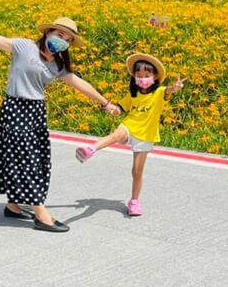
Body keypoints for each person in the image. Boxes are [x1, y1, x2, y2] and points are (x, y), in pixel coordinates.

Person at [0, 15, 119, 233]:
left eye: (68, 39)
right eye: (60, 34)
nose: (63, 41)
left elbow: (79, 83)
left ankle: (13, 206)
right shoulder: (25, 47)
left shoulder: (57, 64)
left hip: (36, 112)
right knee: (27, 159)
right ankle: (40, 213)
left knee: (36, 158)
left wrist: (106, 103)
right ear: (48, 32)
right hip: (16, 109)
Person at [75, 53, 185, 216]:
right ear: (134, 77)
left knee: (136, 172)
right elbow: (121, 108)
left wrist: (175, 88)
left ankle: (134, 201)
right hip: (130, 125)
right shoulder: (133, 94)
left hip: (145, 135)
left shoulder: (160, 92)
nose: (142, 79)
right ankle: (91, 149)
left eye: (146, 76)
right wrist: (114, 109)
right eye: (138, 76)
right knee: (116, 135)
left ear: (154, 77)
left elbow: (169, 91)